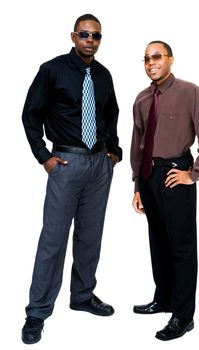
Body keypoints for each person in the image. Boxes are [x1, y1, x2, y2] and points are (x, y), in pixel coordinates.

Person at [21, 13, 122, 344]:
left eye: (95, 36)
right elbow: (30, 114)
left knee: (90, 236)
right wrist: (43, 157)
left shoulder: (104, 75)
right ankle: (37, 312)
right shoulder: (52, 70)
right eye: (84, 34)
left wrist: (114, 151)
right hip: (67, 162)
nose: (90, 40)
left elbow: (110, 114)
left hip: (98, 165)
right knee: (53, 239)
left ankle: (82, 296)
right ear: (73, 37)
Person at [130, 40, 199, 341]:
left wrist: (194, 174)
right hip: (148, 176)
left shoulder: (189, 92)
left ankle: (183, 316)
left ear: (170, 59)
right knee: (158, 241)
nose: (151, 62)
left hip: (175, 174)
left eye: (157, 56)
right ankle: (164, 298)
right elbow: (137, 145)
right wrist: (137, 185)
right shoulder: (142, 99)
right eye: (146, 58)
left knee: (182, 247)